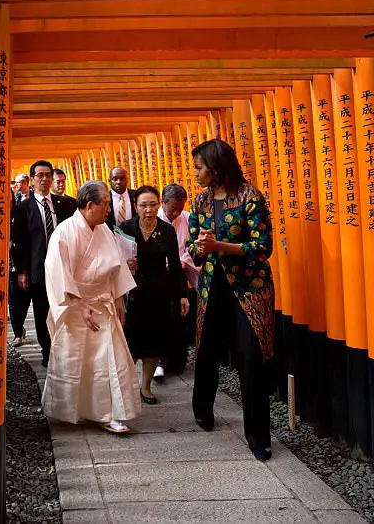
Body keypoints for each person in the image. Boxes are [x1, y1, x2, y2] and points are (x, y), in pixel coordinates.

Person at [187, 139, 276, 462]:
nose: (195, 173)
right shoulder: (200, 201)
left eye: (199, 167)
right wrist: (199, 246)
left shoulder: (249, 197)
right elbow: (193, 248)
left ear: (216, 166)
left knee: (251, 359)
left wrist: (219, 246)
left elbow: (262, 247)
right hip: (212, 287)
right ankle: (202, 411)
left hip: (249, 289)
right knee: (207, 350)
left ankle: (258, 437)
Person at [42, 180, 139, 434]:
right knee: (78, 363)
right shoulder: (64, 232)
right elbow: (57, 274)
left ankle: (111, 413)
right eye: (105, 204)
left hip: (103, 304)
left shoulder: (105, 231)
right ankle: (80, 411)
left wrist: (118, 299)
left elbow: (116, 266)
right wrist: (79, 304)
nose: (109, 209)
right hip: (76, 307)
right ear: (89, 205)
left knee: (110, 361)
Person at [118, 185, 189, 403]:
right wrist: (124, 263)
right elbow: (113, 259)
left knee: (154, 343)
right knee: (129, 343)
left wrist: (182, 295)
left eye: (152, 204)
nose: (148, 209)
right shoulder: (125, 228)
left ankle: (146, 387)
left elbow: (175, 266)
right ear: (136, 206)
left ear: (158, 205)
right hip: (131, 293)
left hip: (158, 292)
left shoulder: (166, 230)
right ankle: (125, 387)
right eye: (143, 205)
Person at [10, 160, 76, 363]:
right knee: (42, 311)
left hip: (63, 267)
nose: (45, 179)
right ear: (32, 180)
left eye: (48, 175)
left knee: (65, 308)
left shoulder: (64, 204)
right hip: (38, 269)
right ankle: (48, 352)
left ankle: (65, 348)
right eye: (40, 175)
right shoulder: (23, 208)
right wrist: (22, 270)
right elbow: (18, 241)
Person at [154, 183, 200, 379]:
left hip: (181, 276)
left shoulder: (188, 219)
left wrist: (181, 262)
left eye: (179, 209)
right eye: (172, 209)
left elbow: (194, 247)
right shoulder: (152, 219)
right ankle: (159, 360)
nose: (175, 214)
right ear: (163, 203)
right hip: (159, 278)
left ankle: (177, 360)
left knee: (181, 317)